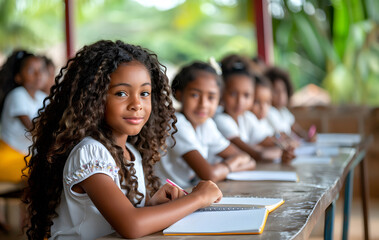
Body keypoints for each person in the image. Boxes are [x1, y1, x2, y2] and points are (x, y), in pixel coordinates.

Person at [22, 40, 222, 240]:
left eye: (144, 93)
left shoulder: (130, 152)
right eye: (121, 93)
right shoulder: (90, 153)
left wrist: (151, 206)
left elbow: (117, 221)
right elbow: (131, 225)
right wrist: (199, 198)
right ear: (93, 99)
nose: (136, 104)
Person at [154, 61, 256, 189]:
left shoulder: (206, 124)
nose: (203, 104)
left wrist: (226, 167)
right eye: (195, 95)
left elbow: (248, 159)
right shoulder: (176, 123)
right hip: (166, 197)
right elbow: (209, 175)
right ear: (179, 95)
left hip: (188, 191)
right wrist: (231, 165)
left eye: (211, 97)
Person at [214, 55, 294, 163]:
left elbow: (269, 140)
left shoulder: (246, 118)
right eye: (233, 94)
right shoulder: (221, 120)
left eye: (246, 95)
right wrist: (281, 151)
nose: (240, 101)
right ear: (221, 93)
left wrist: (284, 146)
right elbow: (255, 154)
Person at [0, 50, 47, 182]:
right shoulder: (17, 95)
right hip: (9, 158)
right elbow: (34, 130)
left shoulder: (42, 97)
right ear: (18, 77)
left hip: (26, 158)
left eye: (41, 70)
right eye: (32, 70)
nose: (38, 75)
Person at [265, 66, 316, 142]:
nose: (281, 96)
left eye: (283, 91)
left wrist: (307, 136)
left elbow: (296, 128)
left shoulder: (284, 111)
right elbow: (280, 134)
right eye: (276, 91)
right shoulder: (269, 112)